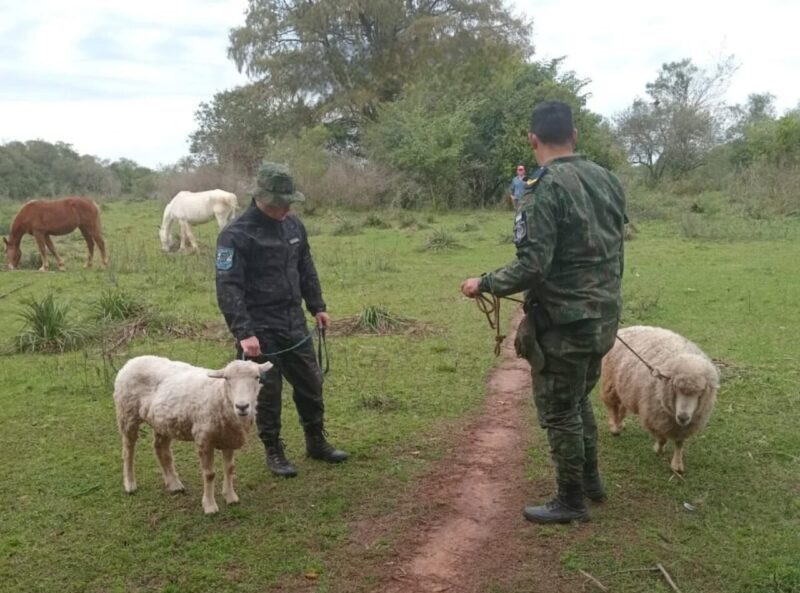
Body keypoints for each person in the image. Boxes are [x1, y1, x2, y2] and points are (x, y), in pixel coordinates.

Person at [460, 101, 626, 524]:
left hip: (565, 325)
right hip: (604, 318)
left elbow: (533, 265)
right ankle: (590, 482)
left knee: (558, 409)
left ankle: (571, 500)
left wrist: (485, 282)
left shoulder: (543, 187)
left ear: (533, 140)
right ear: (575, 135)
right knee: (578, 400)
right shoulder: (607, 179)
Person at [215, 162, 348, 478]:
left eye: (290, 202)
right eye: (280, 203)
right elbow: (227, 286)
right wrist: (244, 332)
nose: (286, 208)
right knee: (268, 394)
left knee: (311, 384)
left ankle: (316, 442)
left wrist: (317, 305)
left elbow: (306, 267)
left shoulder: (294, 226)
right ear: (261, 197)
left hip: (293, 322)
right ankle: (274, 450)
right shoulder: (235, 234)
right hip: (259, 329)